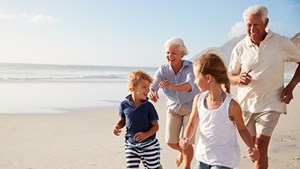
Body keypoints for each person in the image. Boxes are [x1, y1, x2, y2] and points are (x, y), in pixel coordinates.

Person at [228, 5, 300, 169]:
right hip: (245, 105)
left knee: (260, 146)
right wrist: (239, 78)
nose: (252, 29)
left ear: (266, 22)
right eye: (248, 25)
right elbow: (229, 77)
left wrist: (291, 87)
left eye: (256, 24)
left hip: (271, 102)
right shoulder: (240, 47)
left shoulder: (281, 43)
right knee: (255, 152)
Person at [180, 52, 260, 169]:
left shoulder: (231, 106)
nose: (195, 81)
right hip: (202, 156)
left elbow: (242, 129)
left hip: (223, 160)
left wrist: (252, 147)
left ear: (208, 78)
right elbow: (192, 124)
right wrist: (185, 137)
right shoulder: (199, 99)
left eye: (196, 77)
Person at [149, 37, 200, 169]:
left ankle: (187, 166)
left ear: (182, 54)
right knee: (170, 142)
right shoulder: (163, 69)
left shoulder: (190, 67)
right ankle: (183, 153)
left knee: (185, 142)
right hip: (173, 108)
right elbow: (153, 84)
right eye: (167, 53)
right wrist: (152, 92)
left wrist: (172, 86)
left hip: (190, 107)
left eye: (173, 53)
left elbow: (189, 86)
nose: (170, 56)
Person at [113, 70, 162, 169]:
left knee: (153, 167)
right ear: (133, 87)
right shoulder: (124, 105)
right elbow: (123, 120)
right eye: (144, 87)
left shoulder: (148, 107)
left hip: (149, 146)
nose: (148, 90)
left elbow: (156, 126)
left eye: (148, 87)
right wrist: (117, 126)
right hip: (131, 145)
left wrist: (145, 135)